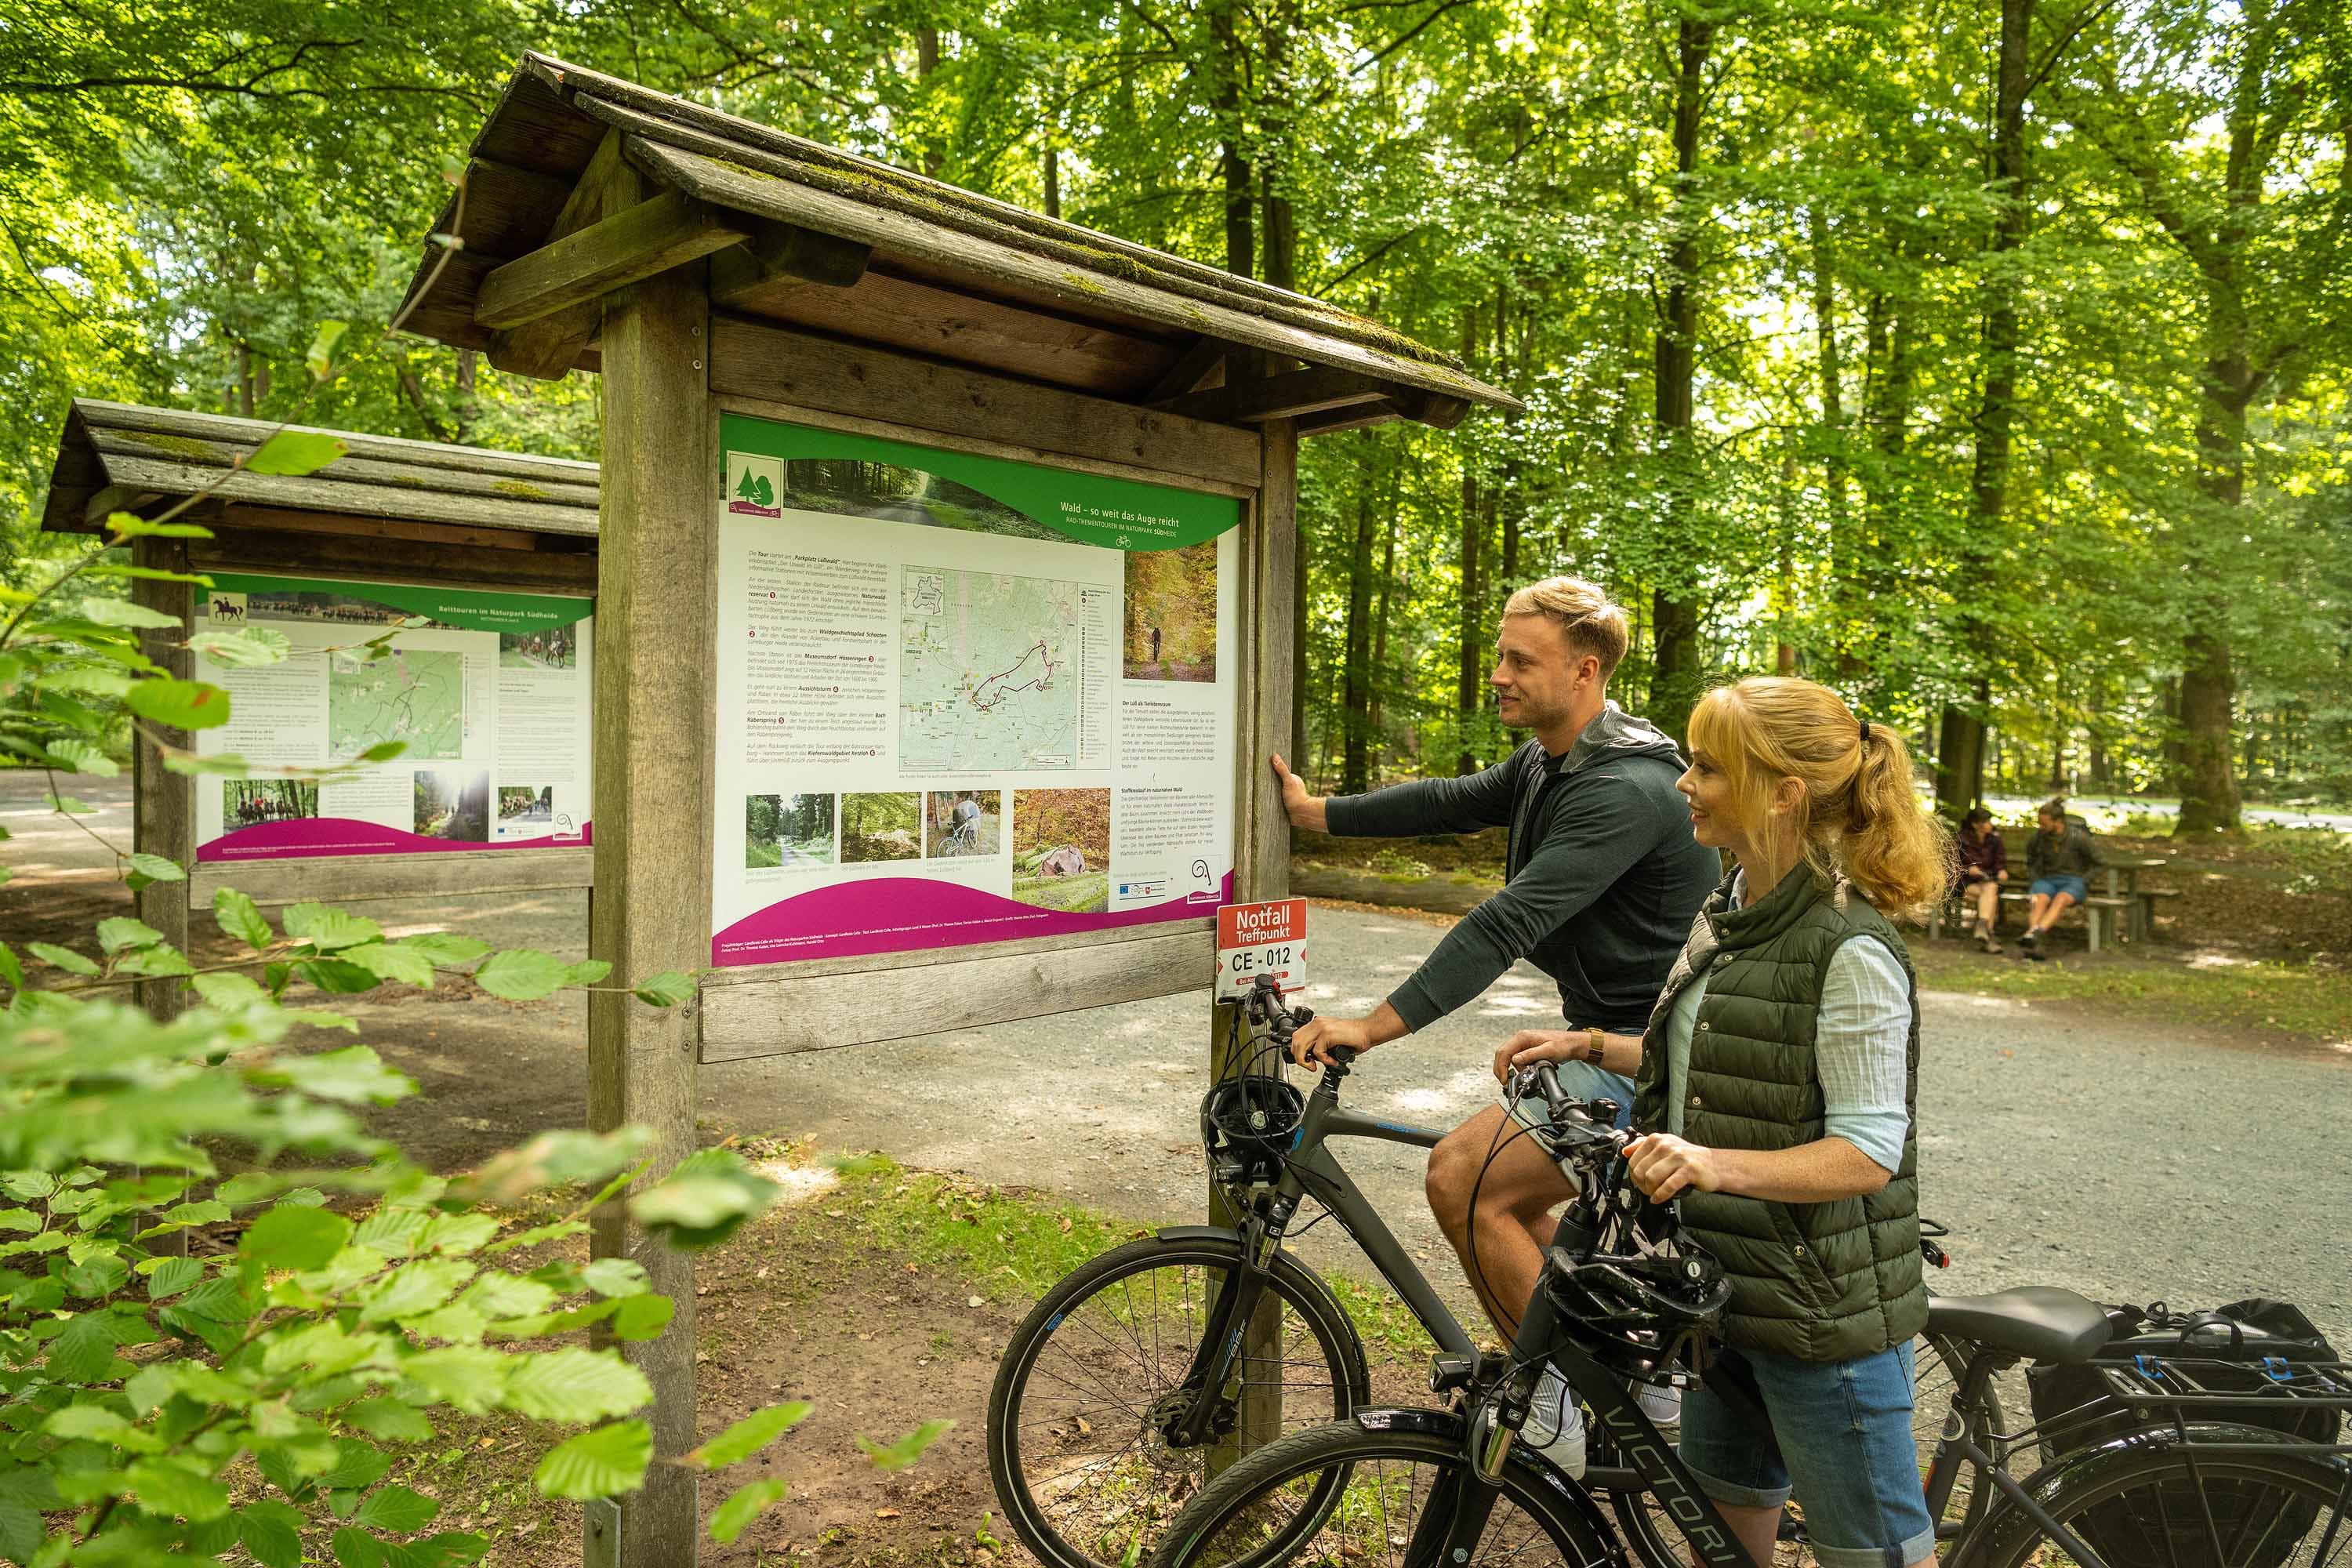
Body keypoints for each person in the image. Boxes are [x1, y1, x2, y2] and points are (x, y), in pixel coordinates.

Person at [1272, 574, 1719, 1470]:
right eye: (1501, 655)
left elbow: (1507, 919)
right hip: (1610, 1031)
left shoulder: (1624, 786)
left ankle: (1550, 1409)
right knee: (1513, 1205)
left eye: (1522, 659)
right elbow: (1451, 800)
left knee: (1467, 1178)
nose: (1500, 674)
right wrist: (1321, 814)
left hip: (1656, 1052)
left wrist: (1376, 1024)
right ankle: (1641, 1379)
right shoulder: (1556, 757)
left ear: (1585, 671)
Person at [1507, 675, 1951, 1568]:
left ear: (1783, 791)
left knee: (1876, 1555)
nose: (1683, 781)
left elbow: (1868, 1152)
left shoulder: (1849, 946)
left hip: (1822, 1316)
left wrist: (1713, 1163)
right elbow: (1721, 1056)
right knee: (1723, 1540)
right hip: (1727, 1292)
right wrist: (1587, 1041)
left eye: (1708, 766)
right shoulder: (1734, 906)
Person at [2020, 798, 2100, 959]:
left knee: (2061, 899)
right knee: (2039, 900)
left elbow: (2099, 862)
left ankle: (2035, 933)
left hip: (2074, 880)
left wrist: (2085, 881)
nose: (2041, 827)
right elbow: (2031, 861)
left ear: (2058, 822)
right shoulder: (2038, 838)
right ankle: (2035, 941)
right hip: (2047, 879)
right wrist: (2035, 879)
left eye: (2044, 823)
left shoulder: (2079, 837)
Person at [1955, 806, 2007, 953]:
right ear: (1975, 824)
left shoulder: (1995, 840)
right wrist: (1967, 869)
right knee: (1991, 895)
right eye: (1986, 821)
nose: (1990, 824)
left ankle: (1983, 928)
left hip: (1988, 881)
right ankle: (1988, 934)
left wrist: (2002, 871)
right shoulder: (1961, 839)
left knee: (1990, 890)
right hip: (1965, 883)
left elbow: (2000, 862)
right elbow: (1951, 866)